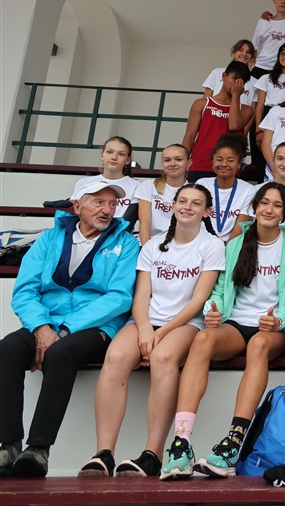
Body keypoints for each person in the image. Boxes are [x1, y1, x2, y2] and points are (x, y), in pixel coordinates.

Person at [160, 183, 285, 479]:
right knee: (203, 338)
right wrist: (212, 310)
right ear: (254, 207)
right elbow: (218, 291)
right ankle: (181, 443)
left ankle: (233, 443)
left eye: (277, 205)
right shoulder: (236, 244)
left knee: (258, 346)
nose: (269, 209)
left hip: (272, 328)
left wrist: (279, 321)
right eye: (264, 203)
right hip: (236, 323)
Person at [79, 184, 223, 477]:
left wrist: (160, 333)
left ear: (207, 212)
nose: (187, 207)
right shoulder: (153, 245)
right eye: (182, 201)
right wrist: (145, 329)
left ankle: (152, 454)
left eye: (196, 203)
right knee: (116, 357)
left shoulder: (212, 245)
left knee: (163, 358)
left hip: (185, 323)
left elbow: (198, 301)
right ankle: (103, 453)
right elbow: (141, 296)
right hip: (146, 321)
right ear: (173, 205)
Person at [0, 180, 138, 478]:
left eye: (112, 204)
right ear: (77, 206)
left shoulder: (126, 243)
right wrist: (41, 326)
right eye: (98, 202)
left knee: (60, 353)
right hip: (46, 321)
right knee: (8, 348)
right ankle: (8, 446)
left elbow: (120, 297)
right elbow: (25, 291)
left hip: (96, 325)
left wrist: (64, 329)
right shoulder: (49, 239)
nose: (107, 210)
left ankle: (38, 449)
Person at [183, 61, 254, 182]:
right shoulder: (202, 103)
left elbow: (234, 125)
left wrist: (236, 96)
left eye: (241, 81)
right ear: (224, 76)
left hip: (228, 168)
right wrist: (182, 162)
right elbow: (189, 136)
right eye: (234, 78)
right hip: (200, 165)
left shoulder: (246, 110)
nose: (236, 84)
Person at [197, 136, 256, 243]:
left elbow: (241, 225)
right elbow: (195, 219)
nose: (224, 164)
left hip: (232, 245)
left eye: (230, 160)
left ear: (239, 164)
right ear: (213, 161)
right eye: (219, 160)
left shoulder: (249, 190)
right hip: (201, 243)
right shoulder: (202, 184)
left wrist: (226, 247)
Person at [71, 136, 140, 220]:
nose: (114, 157)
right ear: (102, 155)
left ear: (128, 160)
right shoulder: (84, 183)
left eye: (121, 154)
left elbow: (129, 221)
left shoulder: (137, 186)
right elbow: (76, 214)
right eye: (109, 152)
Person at [135, 143, 190, 241]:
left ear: (189, 163)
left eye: (178, 159)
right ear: (162, 163)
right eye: (167, 160)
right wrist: (146, 248)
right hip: (149, 242)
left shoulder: (193, 192)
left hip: (178, 244)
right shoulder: (148, 185)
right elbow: (144, 222)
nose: (172, 164)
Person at [253, 42, 285, 127]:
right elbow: (260, 105)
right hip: (267, 115)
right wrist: (258, 127)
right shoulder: (266, 78)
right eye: (282, 54)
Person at [202, 39, 257, 107]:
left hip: (240, 113)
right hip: (214, 112)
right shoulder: (217, 72)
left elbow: (252, 109)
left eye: (248, 52)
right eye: (240, 50)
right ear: (234, 52)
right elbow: (205, 100)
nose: (244, 54)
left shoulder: (255, 82)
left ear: (252, 57)